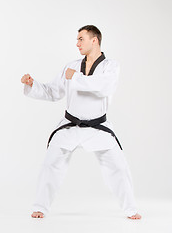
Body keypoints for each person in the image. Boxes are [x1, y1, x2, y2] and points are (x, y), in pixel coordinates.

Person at [21, 25, 141, 220]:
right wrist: (32, 84)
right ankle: (40, 207)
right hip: (70, 125)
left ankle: (130, 209)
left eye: (81, 39)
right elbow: (53, 92)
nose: (77, 43)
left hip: (98, 127)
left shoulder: (111, 66)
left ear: (94, 40)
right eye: (77, 39)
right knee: (50, 164)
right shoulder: (72, 66)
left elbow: (103, 87)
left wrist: (75, 78)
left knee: (118, 167)